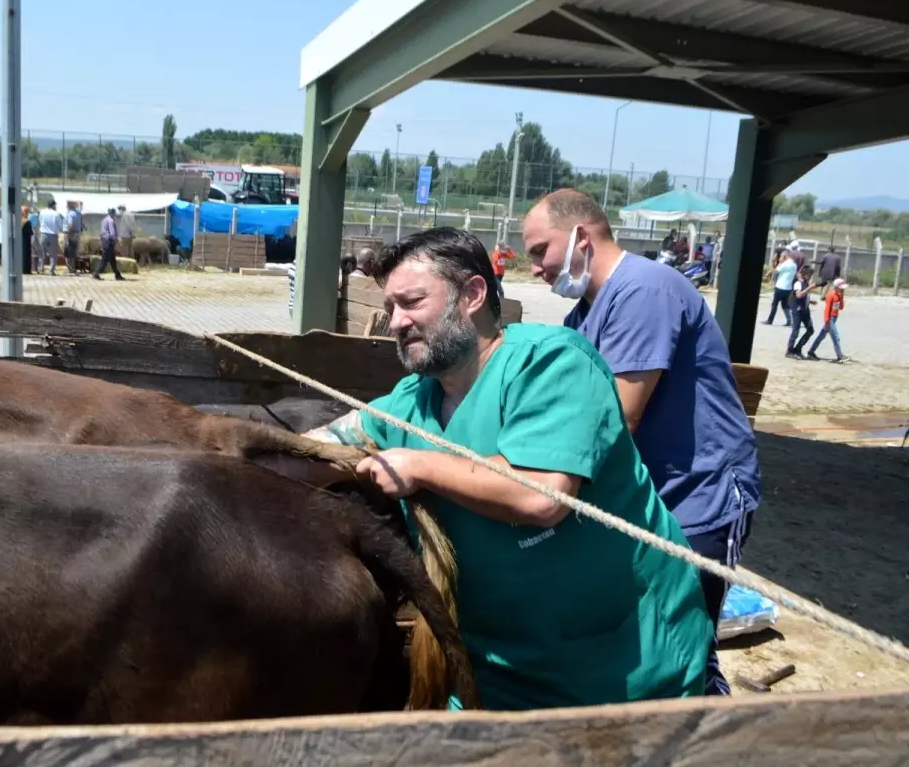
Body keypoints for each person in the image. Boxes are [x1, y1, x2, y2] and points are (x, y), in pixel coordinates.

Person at [304, 227, 711, 711]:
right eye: (390, 307)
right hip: (495, 672)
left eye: (411, 302)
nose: (395, 322)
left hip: (620, 667)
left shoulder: (552, 364)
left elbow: (541, 495)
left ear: (473, 294)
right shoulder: (411, 403)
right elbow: (322, 444)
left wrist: (418, 465)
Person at [521, 189, 760, 696]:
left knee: (685, 642)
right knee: (647, 639)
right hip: (648, 496)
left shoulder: (643, 291)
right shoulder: (582, 314)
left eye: (540, 250)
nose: (537, 267)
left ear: (581, 236)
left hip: (697, 496)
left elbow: (617, 417)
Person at [808, 279, 850, 363]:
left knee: (821, 336)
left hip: (834, 319)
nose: (842, 290)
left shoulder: (838, 296)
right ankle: (840, 355)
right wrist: (827, 321)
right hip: (830, 319)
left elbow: (841, 307)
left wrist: (841, 297)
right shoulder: (831, 295)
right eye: (841, 289)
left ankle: (811, 351)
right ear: (836, 287)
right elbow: (827, 309)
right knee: (835, 336)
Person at [785, 265, 819, 359]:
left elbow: (804, 296)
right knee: (795, 331)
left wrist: (810, 301)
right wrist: (810, 288)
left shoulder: (805, 282)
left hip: (805, 309)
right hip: (797, 310)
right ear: (804, 274)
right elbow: (799, 295)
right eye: (809, 274)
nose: (810, 276)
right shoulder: (798, 283)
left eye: (811, 274)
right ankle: (789, 350)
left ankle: (798, 349)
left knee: (810, 330)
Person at [765, 250, 797, 326]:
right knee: (785, 305)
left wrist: (777, 263)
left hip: (780, 287)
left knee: (774, 304)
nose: (780, 258)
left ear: (784, 257)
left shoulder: (784, 264)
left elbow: (775, 272)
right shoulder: (794, 265)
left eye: (781, 256)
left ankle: (770, 320)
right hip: (788, 288)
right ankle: (789, 320)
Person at [93, 208, 125, 281]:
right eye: (114, 214)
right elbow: (112, 233)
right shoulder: (111, 221)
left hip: (104, 240)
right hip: (109, 241)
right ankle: (96, 273)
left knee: (112, 260)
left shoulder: (104, 220)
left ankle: (117, 274)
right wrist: (116, 241)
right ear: (113, 214)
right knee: (105, 259)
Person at [37, 199, 63, 275]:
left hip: (43, 234)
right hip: (53, 235)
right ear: (53, 205)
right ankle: (51, 271)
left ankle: (41, 269)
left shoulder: (42, 212)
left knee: (41, 253)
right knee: (53, 254)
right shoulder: (56, 214)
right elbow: (60, 225)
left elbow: (40, 221)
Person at [63, 200, 84, 274]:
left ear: (69, 206)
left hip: (70, 233)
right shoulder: (77, 212)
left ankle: (71, 269)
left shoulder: (70, 213)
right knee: (73, 251)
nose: (66, 206)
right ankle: (73, 268)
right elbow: (81, 206)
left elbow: (71, 225)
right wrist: (79, 204)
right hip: (76, 233)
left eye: (67, 205)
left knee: (68, 252)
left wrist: (68, 233)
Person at [20, 205, 34, 276]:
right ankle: (26, 270)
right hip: (26, 240)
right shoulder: (27, 221)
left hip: (20, 240)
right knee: (26, 255)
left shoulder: (18, 220)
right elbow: (30, 232)